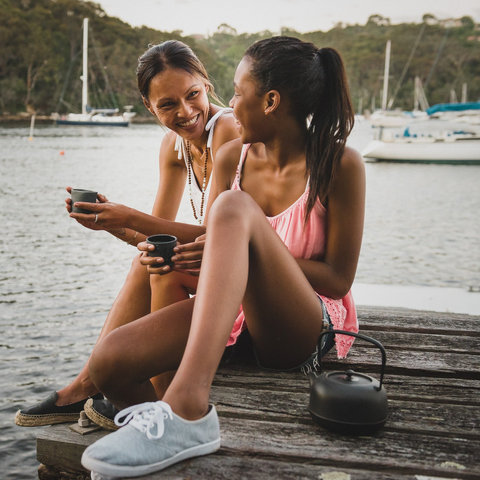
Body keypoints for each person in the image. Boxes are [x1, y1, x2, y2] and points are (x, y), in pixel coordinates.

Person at [80, 35, 365, 477]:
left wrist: (249, 258)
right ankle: (162, 430)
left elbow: (337, 280)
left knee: (232, 208)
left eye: (236, 91)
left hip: (302, 326)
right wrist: (122, 221)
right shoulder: (234, 156)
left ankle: (187, 406)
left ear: (270, 100)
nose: (227, 103)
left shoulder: (339, 163)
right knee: (109, 363)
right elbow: (211, 238)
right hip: (237, 317)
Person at [14, 40, 239, 428]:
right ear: (149, 107)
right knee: (147, 259)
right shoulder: (174, 147)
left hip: (247, 279)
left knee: (154, 263)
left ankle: (103, 387)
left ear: (207, 84)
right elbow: (152, 237)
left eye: (192, 95)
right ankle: (91, 382)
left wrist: (129, 215)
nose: (185, 113)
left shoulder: (228, 129)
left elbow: (211, 235)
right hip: (220, 266)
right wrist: (112, 223)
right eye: (167, 105)